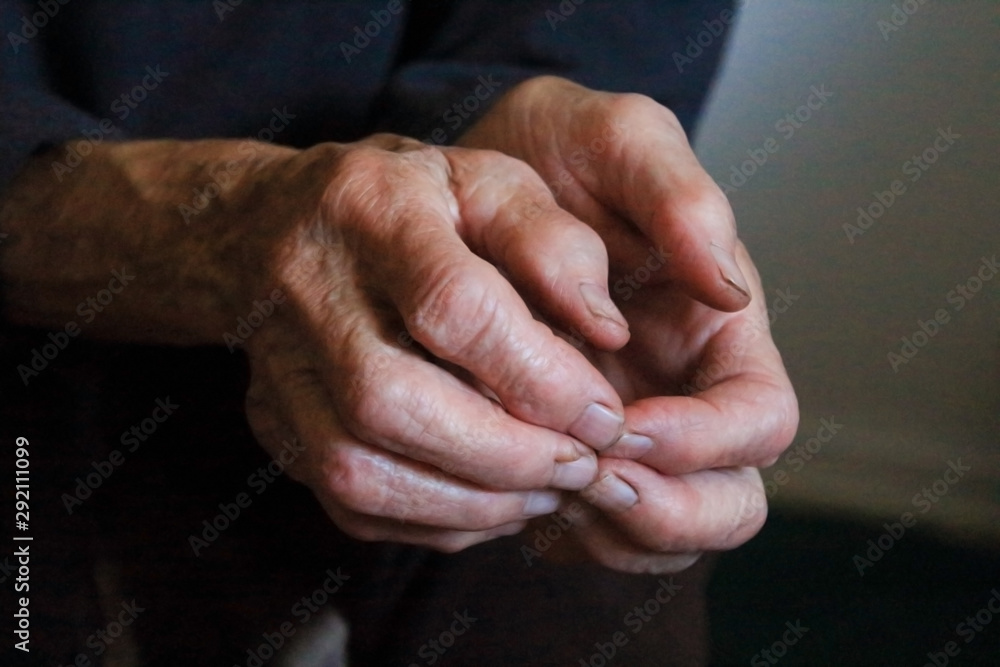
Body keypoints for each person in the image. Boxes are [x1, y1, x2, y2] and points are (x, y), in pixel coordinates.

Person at [0, 1, 797, 664]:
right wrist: (220, 224)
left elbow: (576, 36)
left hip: (396, 271)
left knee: (580, 550)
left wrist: (530, 170)